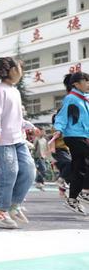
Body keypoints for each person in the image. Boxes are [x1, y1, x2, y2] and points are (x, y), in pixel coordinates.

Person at [0, 57, 36, 228]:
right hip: (2, 141)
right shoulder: (0, 91)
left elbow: (16, 116)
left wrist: (27, 125)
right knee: (10, 173)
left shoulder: (14, 91)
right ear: (12, 70)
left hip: (17, 139)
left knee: (29, 170)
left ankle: (14, 205)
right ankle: (0, 210)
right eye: (20, 68)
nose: (22, 71)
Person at [53, 72, 89, 215]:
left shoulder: (85, 99)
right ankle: (85, 192)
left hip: (83, 136)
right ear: (76, 84)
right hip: (74, 136)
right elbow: (61, 116)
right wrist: (58, 129)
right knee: (81, 165)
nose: (88, 83)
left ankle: (73, 198)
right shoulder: (71, 98)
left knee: (79, 167)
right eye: (86, 81)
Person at [50, 113, 71, 198]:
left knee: (67, 170)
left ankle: (62, 191)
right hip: (58, 150)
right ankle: (61, 180)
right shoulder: (56, 127)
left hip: (66, 151)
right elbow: (53, 139)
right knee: (69, 164)